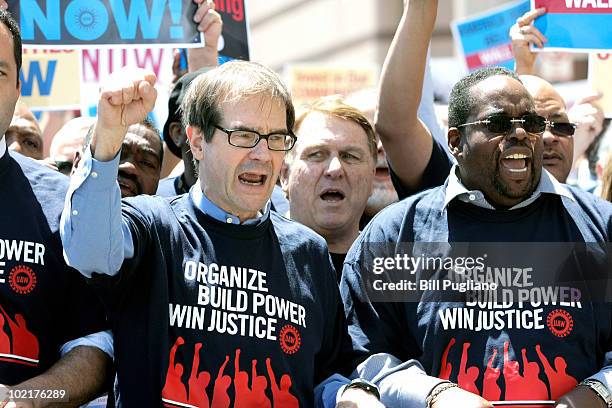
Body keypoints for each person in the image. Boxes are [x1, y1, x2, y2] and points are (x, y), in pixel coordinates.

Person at [60, 61, 381, 407]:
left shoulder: (308, 251)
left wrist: (349, 395)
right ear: (197, 142)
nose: (262, 154)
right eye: (244, 136)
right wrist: (107, 138)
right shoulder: (154, 226)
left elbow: (325, 372)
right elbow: (88, 250)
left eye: (275, 138)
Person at [340, 1, 612, 407]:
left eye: (532, 123)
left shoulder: (598, 227)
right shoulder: (399, 235)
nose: (522, 134)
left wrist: (593, 396)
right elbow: (362, 357)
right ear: (455, 143)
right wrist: (435, 395)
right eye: (499, 124)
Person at [0, 8, 111, 404]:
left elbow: (94, 346)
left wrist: (24, 399)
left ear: (18, 87)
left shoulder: (62, 201)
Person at [280, 96, 376, 278]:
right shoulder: (250, 257)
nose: (335, 169)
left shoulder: (392, 270)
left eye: (350, 156)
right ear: (284, 175)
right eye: (317, 154)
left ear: (372, 178)